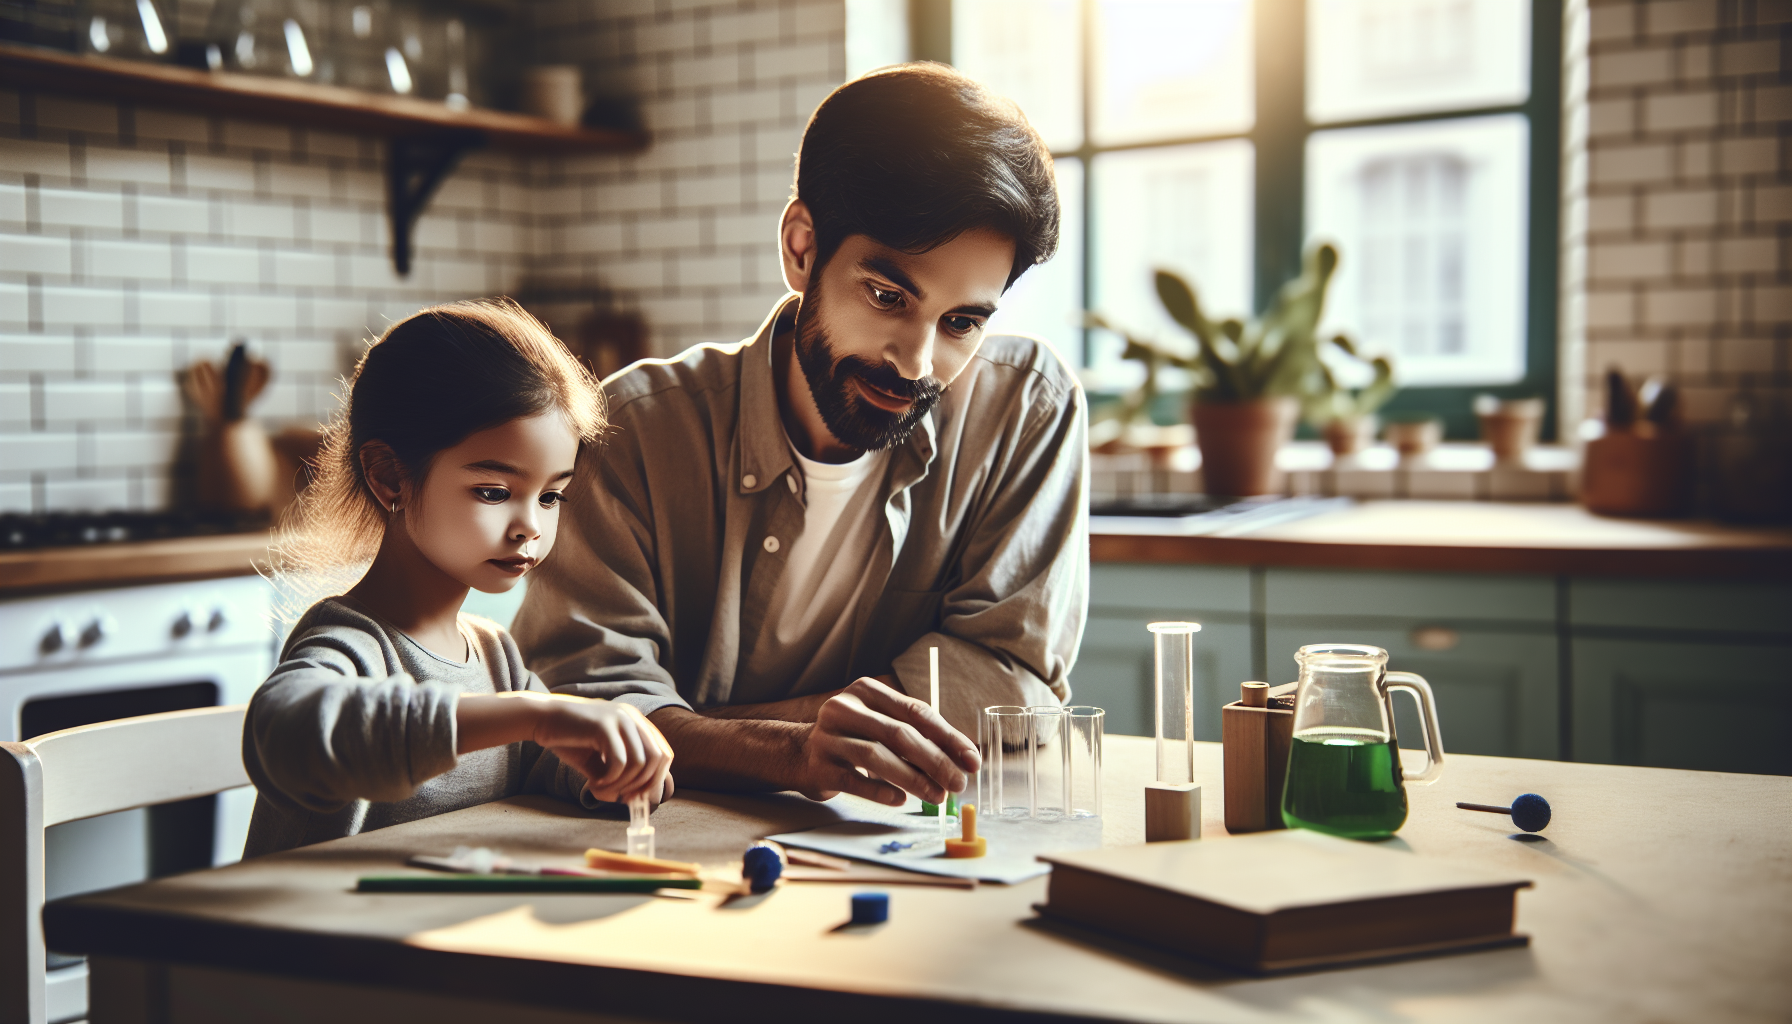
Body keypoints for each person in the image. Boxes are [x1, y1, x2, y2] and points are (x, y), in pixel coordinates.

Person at [513, 64, 1087, 809]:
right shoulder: (631, 432)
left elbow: (1012, 682)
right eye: (887, 296)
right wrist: (788, 749)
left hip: (903, 852)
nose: (916, 363)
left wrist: (697, 732)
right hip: (664, 870)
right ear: (801, 248)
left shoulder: (1025, 408)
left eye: (962, 322)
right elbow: (576, 729)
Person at [242, 300, 674, 856]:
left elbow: (551, 769)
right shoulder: (351, 645)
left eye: (550, 496)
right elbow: (287, 736)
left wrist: (613, 772)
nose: (530, 527)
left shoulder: (496, 657)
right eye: (495, 492)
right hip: (317, 938)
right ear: (390, 476)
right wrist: (538, 714)